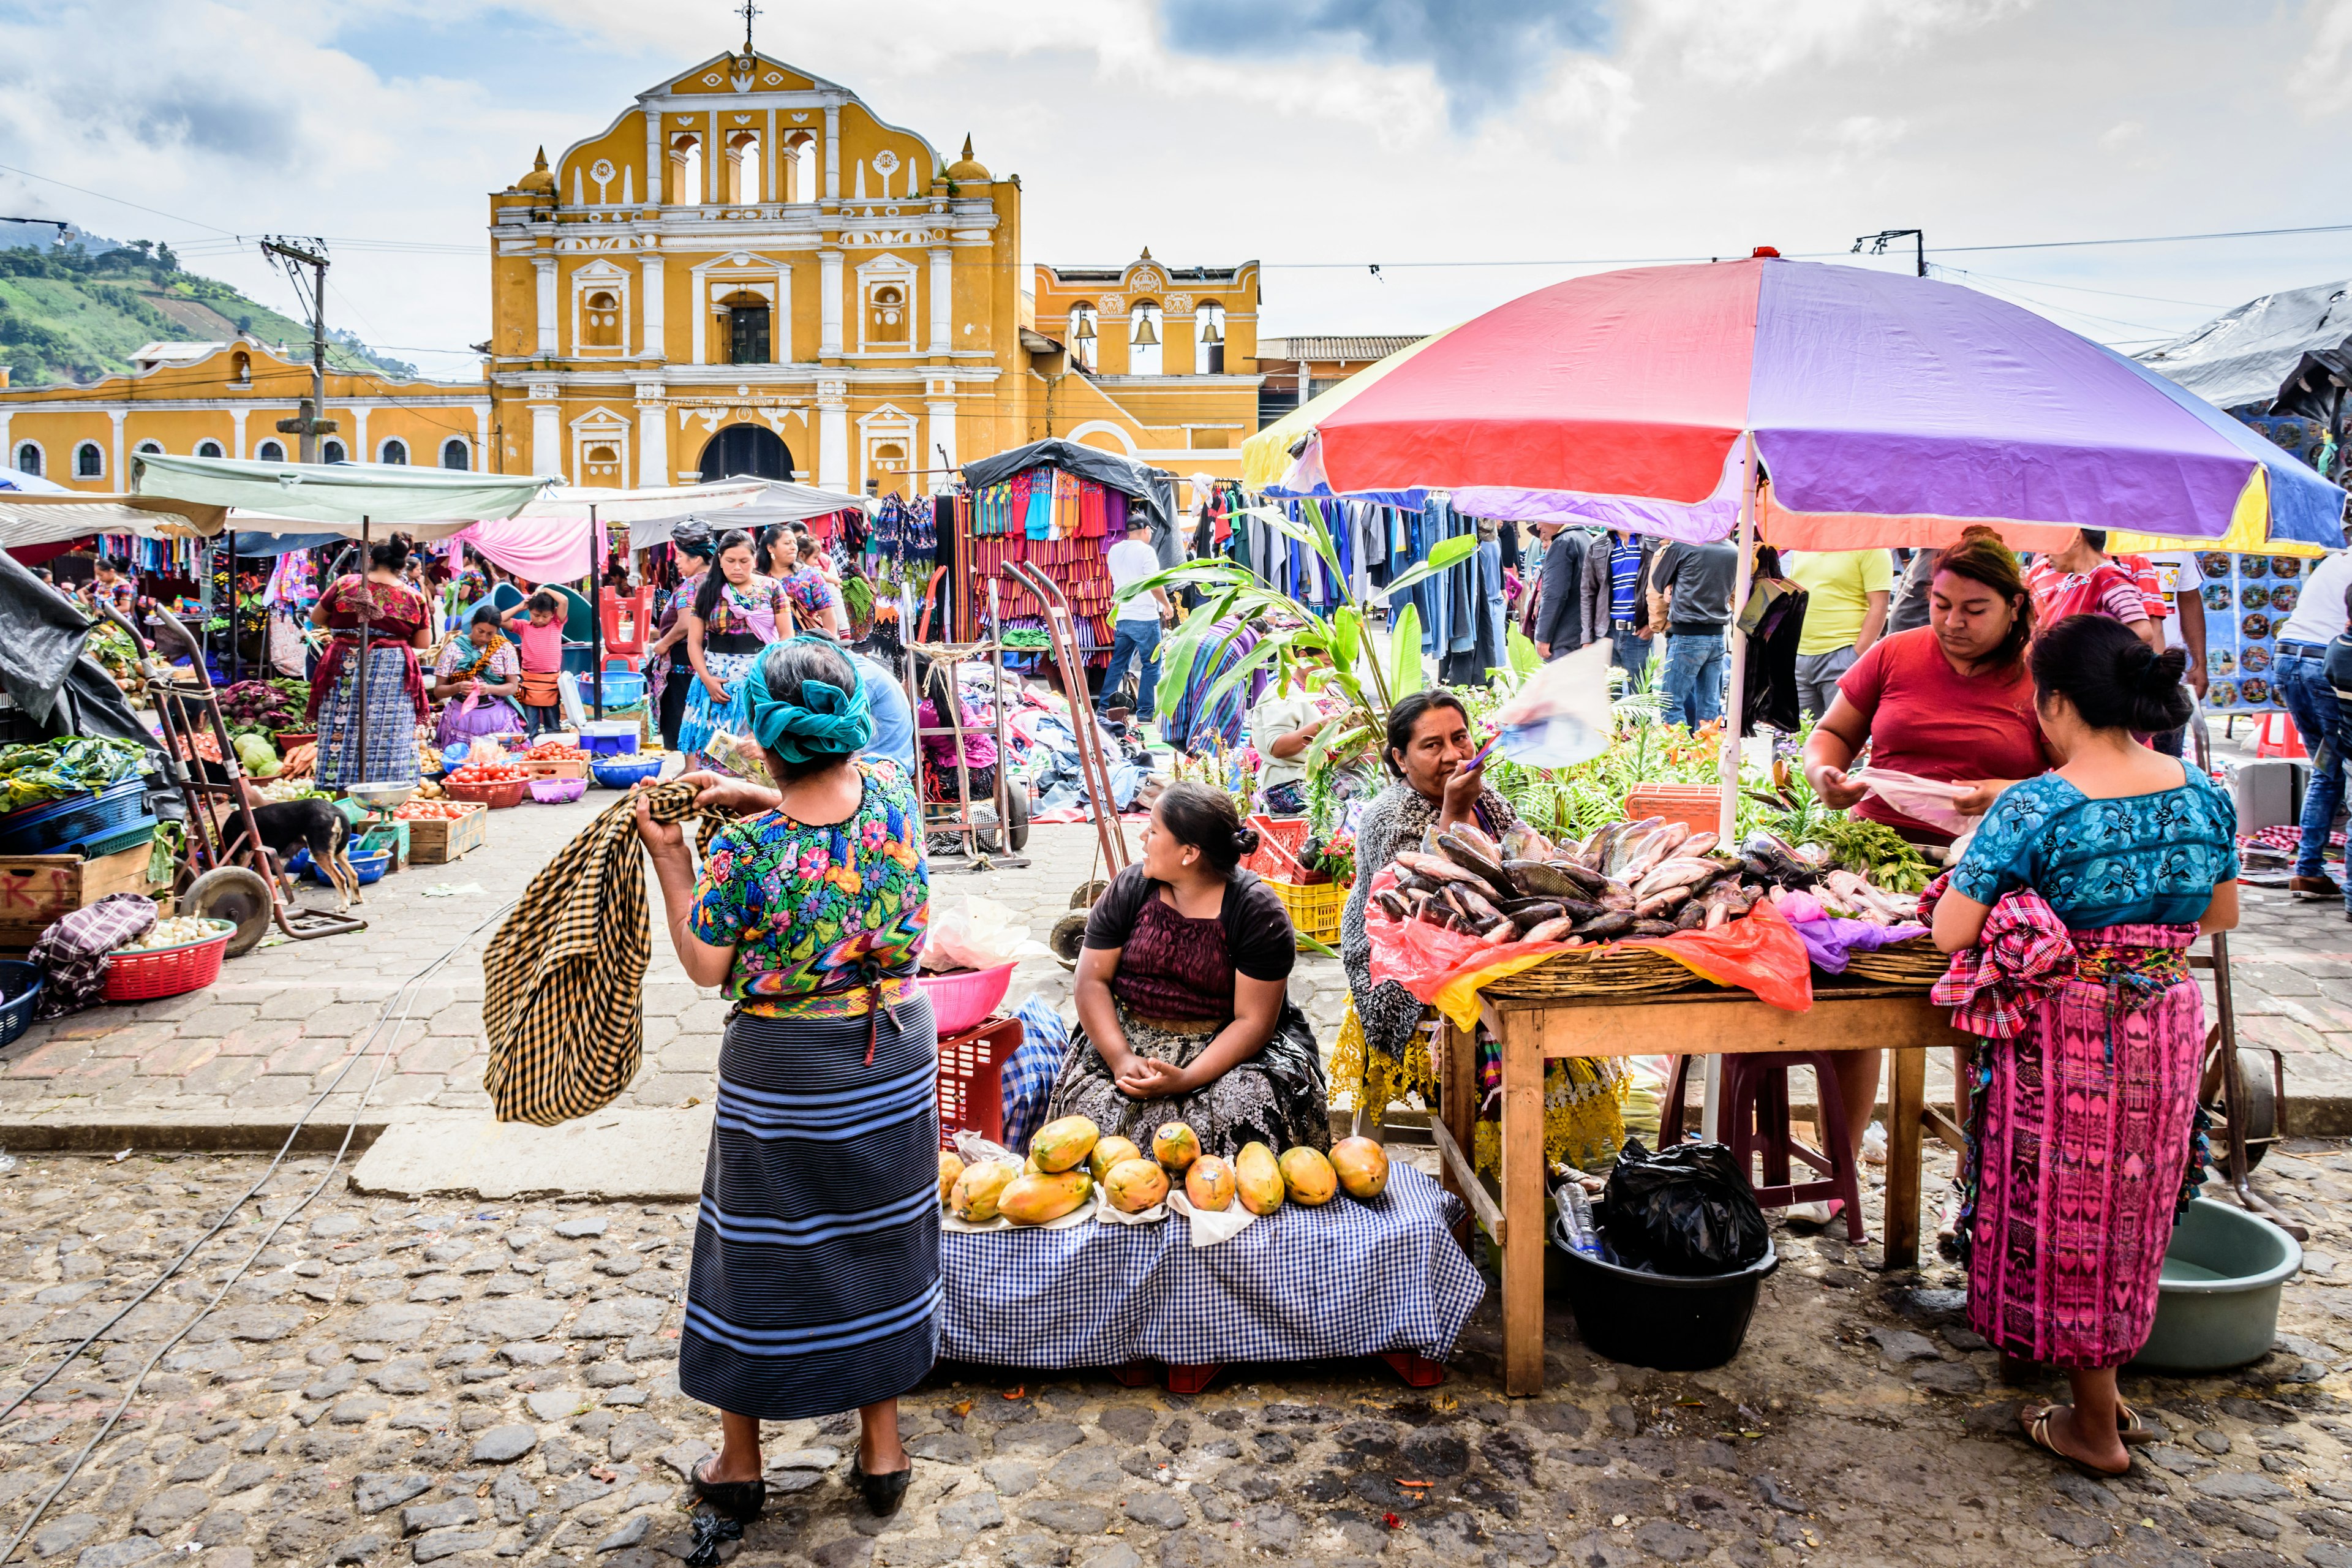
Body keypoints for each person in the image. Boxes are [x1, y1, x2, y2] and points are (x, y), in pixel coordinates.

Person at [633, 636, 935, 1525]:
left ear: (764, 739)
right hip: (891, 1053)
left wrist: (671, 853)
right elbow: (835, 824)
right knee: (879, 1241)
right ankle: (882, 1450)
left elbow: (701, 963)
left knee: (757, 1255)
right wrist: (760, 797)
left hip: (786, 1071)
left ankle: (740, 1460)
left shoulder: (748, 855)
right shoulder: (894, 793)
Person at [1929, 614, 2239, 1476]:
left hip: (2072, 1036)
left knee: (2072, 1216)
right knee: (2132, 1209)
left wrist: (2003, 893)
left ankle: (2093, 1427)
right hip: (2167, 1024)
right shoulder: (2205, 791)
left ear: (2055, 701)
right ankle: (2097, 1384)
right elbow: (2220, 915)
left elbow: (1953, 930)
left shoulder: (2039, 804)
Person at [1803, 527, 2055, 1163]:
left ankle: (1979, 1181)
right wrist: (1825, 777)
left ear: (2015, 607)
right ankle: (1842, 1168)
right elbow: (1831, 734)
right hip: (1873, 861)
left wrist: (1999, 792)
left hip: (1986, 872)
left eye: (1975, 610)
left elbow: (2074, 781)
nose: (1953, 623)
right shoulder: (1894, 654)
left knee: (1981, 1020)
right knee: (1855, 1008)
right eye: (1942, 605)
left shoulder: (2040, 679)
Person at [1043, 781, 1325, 1155]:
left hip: (1228, 1048)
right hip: (1128, 1037)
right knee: (1096, 1117)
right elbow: (1092, 979)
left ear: (1189, 853)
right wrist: (1120, 1058)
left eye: (1155, 829)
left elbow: (1253, 1022)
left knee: (1245, 1110)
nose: (1143, 835)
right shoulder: (1131, 888)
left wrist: (1189, 1079)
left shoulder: (1256, 911)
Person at [306, 537, 431, 790]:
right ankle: (388, 792)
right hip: (392, 667)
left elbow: (317, 617)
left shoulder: (345, 584)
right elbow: (423, 642)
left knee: (342, 725)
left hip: (345, 663)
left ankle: (337, 788)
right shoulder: (413, 596)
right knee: (389, 732)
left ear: (370, 560)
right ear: (402, 565)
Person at [2271, 540, 2352, 902]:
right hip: (2327, 664)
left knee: (2328, 768)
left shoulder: (2337, 560)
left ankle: (2308, 870)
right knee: (2342, 768)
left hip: (2289, 657)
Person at [679, 530, 789, 767]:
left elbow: (786, 637)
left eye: (744, 561)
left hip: (760, 680)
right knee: (711, 753)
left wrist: (770, 677)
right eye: (730, 561)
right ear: (720, 559)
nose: (737, 567)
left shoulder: (772, 588)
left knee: (752, 756)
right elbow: (695, 643)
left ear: (755, 560)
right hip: (714, 682)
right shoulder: (706, 591)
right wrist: (707, 679)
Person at [1784, 548, 1892, 722]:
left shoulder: (1872, 548)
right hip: (1798, 656)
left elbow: (1879, 605)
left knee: (1844, 735)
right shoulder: (1804, 546)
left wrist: (1856, 654)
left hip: (1842, 655)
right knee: (1790, 739)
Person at [1647, 535, 1736, 726]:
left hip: (1687, 633)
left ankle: (1680, 754)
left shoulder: (1683, 545)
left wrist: (1672, 585)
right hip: (1717, 634)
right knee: (1709, 706)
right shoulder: (1734, 549)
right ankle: (1704, 754)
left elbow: (1658, 580)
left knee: (1670, 702)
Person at [2023, 529, 2158, 649]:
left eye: (2051, 541)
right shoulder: (2066, 585)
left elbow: (2143, 631)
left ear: (2076, 538)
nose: (2045, 554)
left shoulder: (2108, 578)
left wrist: (2090, 649)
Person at [647, 523, 716, 753]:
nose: (676, 561)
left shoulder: (691, 586)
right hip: (705, 658)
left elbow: (686, 624)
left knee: (685, 714)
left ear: (696, 560)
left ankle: (691, 767)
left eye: (680, 556)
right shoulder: (715, 582)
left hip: (683, 662)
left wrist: (663, 644)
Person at [1100, 514, 1173, 722]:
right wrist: (1167, 605)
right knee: (1151, 664)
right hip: (1144, 617)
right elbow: (1155, 585)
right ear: (1145, 530)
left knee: (1119, 662)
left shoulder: (1114, 550)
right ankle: (1146, 713)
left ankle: (1103, 707)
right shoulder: (1146, 551)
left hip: (1123, 616)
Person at [431, 605, 528, 753]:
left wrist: (489, 689)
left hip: (497, 719)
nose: (484, 638)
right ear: (472, 623)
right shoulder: (453, 648)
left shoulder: (505, 648)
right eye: (480, 631)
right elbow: (439, 691)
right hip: (460, 720)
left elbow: (512, 687)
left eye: (490, 634)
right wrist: (457, 687)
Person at [914, 653, 997, 805]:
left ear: (917, 684)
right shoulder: (956, 701)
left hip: (958, 782)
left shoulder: (925, 713)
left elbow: (911, 744)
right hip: (988, 775)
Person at [1249, 662, 1330, 818]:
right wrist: (1323, 725)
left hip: (1325, 775)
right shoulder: (1283, 691)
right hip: (1289, 780)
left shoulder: (1328, 688)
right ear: (1305, 658)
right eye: (1327, 663)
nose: (1333, 668)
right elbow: (1278, 748)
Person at [1582, 530, 1659, 681]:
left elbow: (1669, 583)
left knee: (1639, 698)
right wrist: (1587, 639)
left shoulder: (1654, 539)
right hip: (1605, 633)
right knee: (1608, 697)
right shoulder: (1598, 544)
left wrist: (1653, 626)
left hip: (1639, 633)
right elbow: (1587, 593)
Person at [499, 590, 567, 738]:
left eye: (545, 616)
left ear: (553, 613)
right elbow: (498, 620)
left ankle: (553, 749)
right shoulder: (524, 626)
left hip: (551, 682)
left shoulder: (556, 623)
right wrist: (519, 607)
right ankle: (529, 747)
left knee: (553, 727)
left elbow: (564, 601)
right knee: (530, 727)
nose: (541, 620)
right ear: (530, 611)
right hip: (529, 682)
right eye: (536, 615)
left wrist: (545, 590)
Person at [1529, 522, 1586, 661]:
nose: (1538, 527)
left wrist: (1543, 636)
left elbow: (1554, 595)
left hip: (1564, 637)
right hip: (1582, 635)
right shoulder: (1586, 538)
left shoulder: (1562, 543)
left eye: (1541, 519)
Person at [786, 533, 845, 636]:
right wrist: (836, 581)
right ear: (801, 556)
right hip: (808, 629)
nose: (817, 562)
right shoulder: (812, 573)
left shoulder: (808, 573)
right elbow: (827, 576)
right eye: (815, 558)